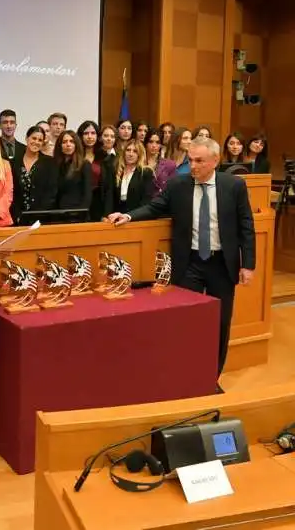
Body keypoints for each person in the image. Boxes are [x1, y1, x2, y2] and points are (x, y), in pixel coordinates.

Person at [108, 137, 255, 390]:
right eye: (190, 160)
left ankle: (212, 379)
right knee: (188, 322)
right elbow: (155, 207)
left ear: (214, 161)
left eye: (199, 161)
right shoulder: (178, 184)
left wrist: (248, 264)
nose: (193, 166)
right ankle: (188, 375)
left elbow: (246, 226)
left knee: (220, 324)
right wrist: (129, 215)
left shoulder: (234, 186)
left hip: (222, 264)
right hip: (190, 263)